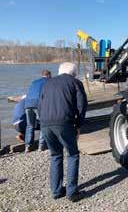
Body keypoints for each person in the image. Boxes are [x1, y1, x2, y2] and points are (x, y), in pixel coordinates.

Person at [39, 62, 87, 202]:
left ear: (60, 71)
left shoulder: (47, 83)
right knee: (72, 154)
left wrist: (43, 122)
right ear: (74, 73)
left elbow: (40, 105)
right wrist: (78, 125)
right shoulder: (75, 83)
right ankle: (72, 192)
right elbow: (81, 105)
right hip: (64, 122)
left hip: (45, 123)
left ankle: (56, 191)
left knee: (55, 155)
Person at [24, 69, 51, 152]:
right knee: (43, 124)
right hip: (38, 104)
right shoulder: (49, 81)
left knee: (30, 125)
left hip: (27, 104)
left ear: (41, 75)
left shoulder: (34, 82)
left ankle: (27, 146)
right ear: (49, 75)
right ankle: (41, 146)